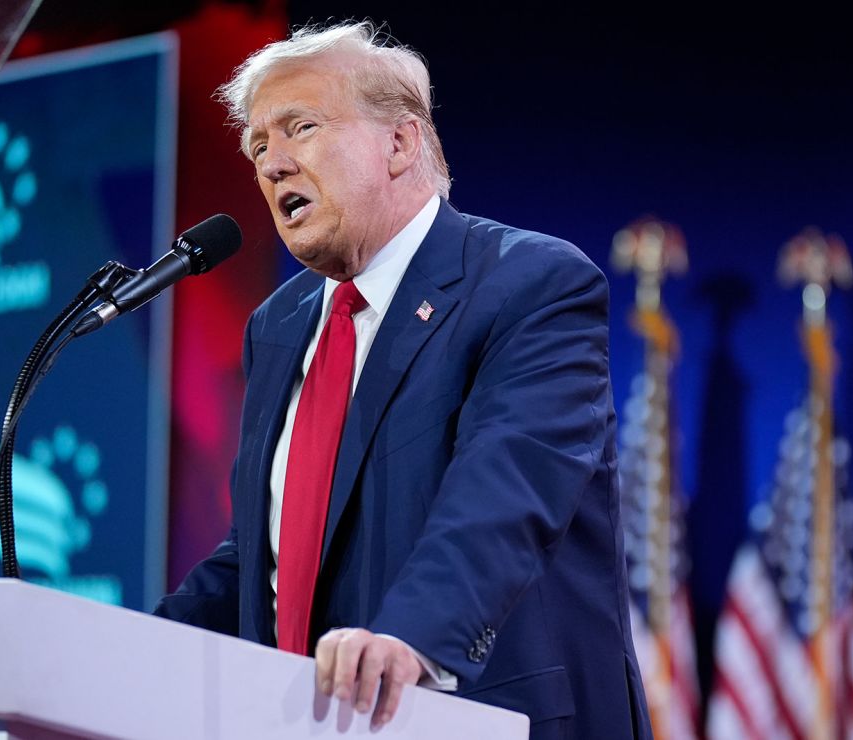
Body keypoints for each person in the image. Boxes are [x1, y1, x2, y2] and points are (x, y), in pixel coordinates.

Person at [154, 21, 652, 739]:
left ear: (400, 142)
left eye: (302, 127)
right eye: (259, 146)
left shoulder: (530, 284)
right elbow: (266, 556)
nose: (272, 164)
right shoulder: (281, 324)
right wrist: (126, 645)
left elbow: (505, 491)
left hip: (491, 716)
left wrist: (412, 636)